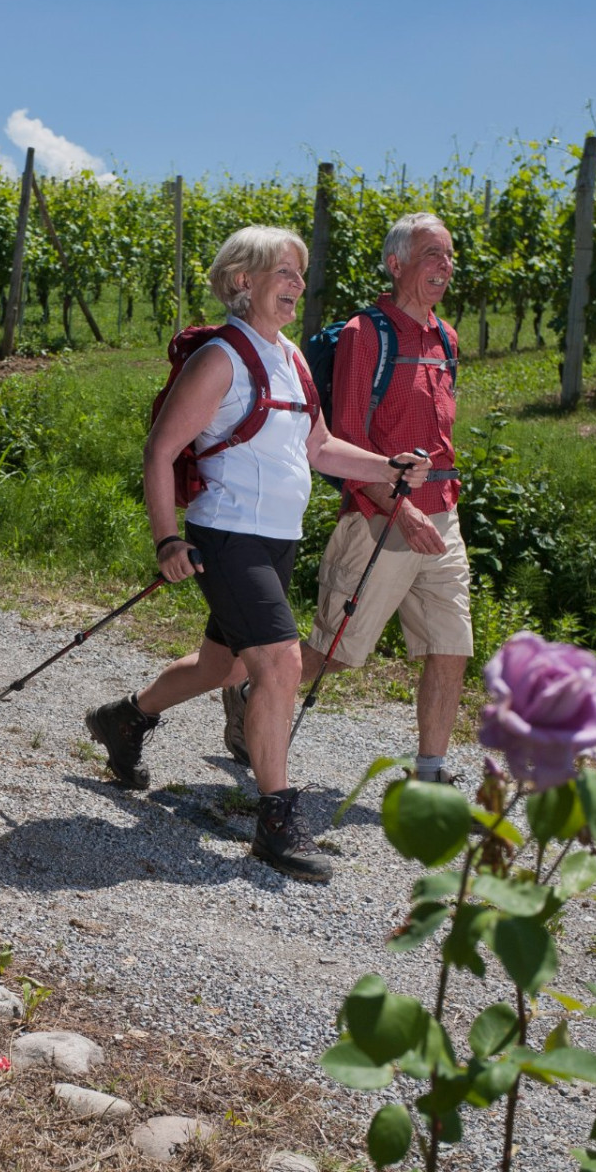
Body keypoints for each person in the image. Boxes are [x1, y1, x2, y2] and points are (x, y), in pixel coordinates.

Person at [83, 226, 426, 882]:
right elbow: (159, 450)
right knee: (279, 663)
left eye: (300, 274)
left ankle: (125, 720)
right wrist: (167, 539)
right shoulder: (221, 359)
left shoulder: (293, 359)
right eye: (285, 273)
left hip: (278, 540)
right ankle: (276, 818)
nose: (298, 285)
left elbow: (321, 448)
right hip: (228, 535)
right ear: (243, 280)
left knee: (220, 664)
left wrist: (387, 465)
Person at [222, 213, 470, 786]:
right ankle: (248, 690)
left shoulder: (446, 338)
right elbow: (348, 438)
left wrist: (436, 505)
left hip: (441, 515)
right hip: (379, 519)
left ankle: (430, 774)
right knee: (335, 651)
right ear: (397, 263)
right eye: (432, 255)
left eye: (450, 257)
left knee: (450, 644)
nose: (445, 267)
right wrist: (399, 509)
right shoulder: (367, 334)